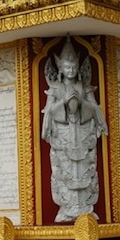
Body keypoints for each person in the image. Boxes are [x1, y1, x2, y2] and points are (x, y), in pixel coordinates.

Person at [41, 37, 108, 222]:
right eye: (67, 67)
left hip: (82, 132)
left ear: (78, 68)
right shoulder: (55, 88)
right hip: (63, 136)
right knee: (64, 170)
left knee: (85, 168)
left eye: (73, 67)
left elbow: (94, 109)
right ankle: (66, 209)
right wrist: (63, 101)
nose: (71, 71)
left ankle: (86, 208)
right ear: (60, 68)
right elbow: (48, 113)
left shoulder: (84, 87)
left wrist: (82, 102)